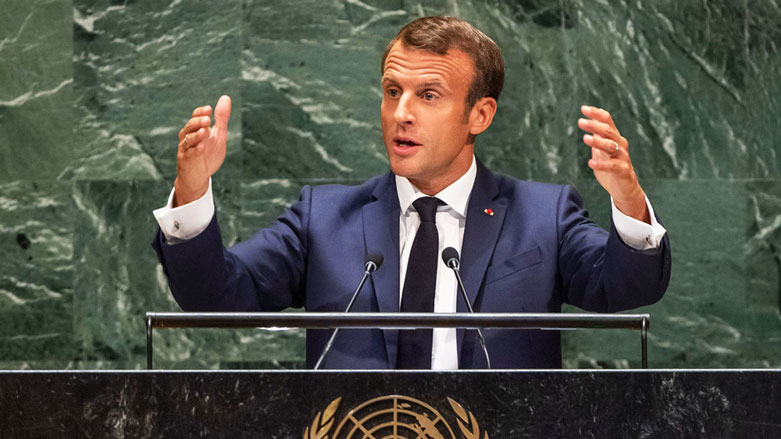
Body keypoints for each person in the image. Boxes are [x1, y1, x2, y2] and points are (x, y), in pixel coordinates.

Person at [152, 16, 670, 369]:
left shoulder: (543, 216)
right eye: (392, 92)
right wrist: (193, 189)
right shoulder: (323, 218)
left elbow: (625, 289)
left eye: (428, 95)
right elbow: (216, 295)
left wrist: (627, 198)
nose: (402, 113)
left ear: (479, 115)